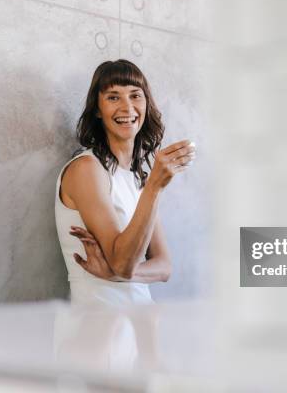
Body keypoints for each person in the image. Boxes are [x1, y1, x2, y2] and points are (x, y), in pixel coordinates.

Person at [54, 59, 195, 308]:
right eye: (113, 97)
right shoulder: (86, 169)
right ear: (97, 109)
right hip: (96, 330)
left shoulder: (137, 178)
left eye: (135, 95)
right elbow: (122, 263)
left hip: (139, 327)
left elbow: (164, 267)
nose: (127, 107)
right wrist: (155, 186)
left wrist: (113, 275)